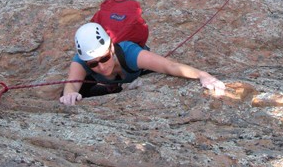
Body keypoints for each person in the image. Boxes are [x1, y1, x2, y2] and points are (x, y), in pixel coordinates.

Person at [60, 22, 226, 105]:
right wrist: (69, 94)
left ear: (111, 47)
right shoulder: (80, 61)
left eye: (104, 58)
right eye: (93, 64)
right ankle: (111, 88)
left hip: (135, 75)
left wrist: (203, 75)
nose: (101, 67)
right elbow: (71, 85)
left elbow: (170, 66)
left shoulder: (130, 53)